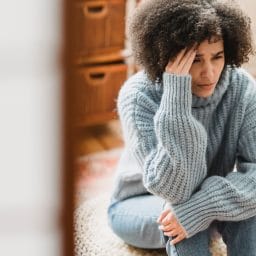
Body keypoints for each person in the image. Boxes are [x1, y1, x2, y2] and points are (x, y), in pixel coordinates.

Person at [107, 0, 256, 255]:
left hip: (197, 198)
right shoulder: (138, 96)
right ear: (167, 56)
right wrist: (175, 98)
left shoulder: (241, 87)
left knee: (248, 210)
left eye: (217, 56)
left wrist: (202, 206)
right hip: (140, 202)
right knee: (177, 212)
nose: (209, 73)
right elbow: (173, 188)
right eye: (195, 59)